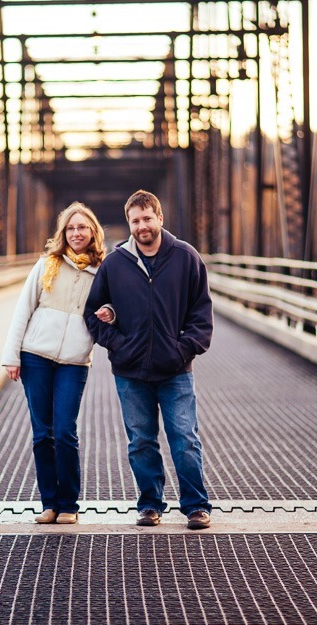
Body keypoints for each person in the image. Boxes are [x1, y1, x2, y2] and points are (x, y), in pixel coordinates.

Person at [84, 189, 213, 530]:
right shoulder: (115, 263)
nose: (142, 226)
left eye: (147, 218)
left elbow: (202, 314)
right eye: (135, 220)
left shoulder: (186, 257)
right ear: (129, 223)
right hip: (131, 371)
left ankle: (196, 507)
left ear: (160, 218)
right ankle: (150, 505)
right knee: (140, 442)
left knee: (184, 438)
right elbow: (93, 313)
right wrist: (119, 346)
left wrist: (183, 348)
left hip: (175, 371)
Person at [2, 202, 106, 525]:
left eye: (82, 228)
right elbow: (23, 309)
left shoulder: (103, 271)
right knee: (41, 433)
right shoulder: (47, 264)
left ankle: (69, 504)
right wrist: (11, 355)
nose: (76, 233)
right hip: (36, 356)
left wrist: (110, 314)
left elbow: (113, 308)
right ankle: (49, 503)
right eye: (71, 228)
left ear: (93, 233)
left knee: (64, 431)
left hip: (74, 361)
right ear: (64, 233)